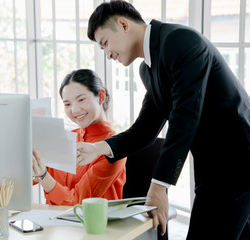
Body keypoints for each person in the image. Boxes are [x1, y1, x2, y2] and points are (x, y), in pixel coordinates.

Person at [76, 1, 250, 239]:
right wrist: (96, 148)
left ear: (123, 24)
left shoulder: (180, 41)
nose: (108, 55)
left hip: (236, 161)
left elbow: (185, 117)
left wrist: (159, 186)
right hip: (213, 166)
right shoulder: (147, 70)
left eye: (105, 43)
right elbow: (145, 129)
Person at [32, 69, 126, 206]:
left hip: (93, 225)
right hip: (52, 223)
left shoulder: (112, 149)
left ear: (100, 96)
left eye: (81, 99)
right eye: (67, 104)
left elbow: (79, 203)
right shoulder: (66, 138)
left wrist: (43, 177)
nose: (74, 110)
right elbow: (26, 178)